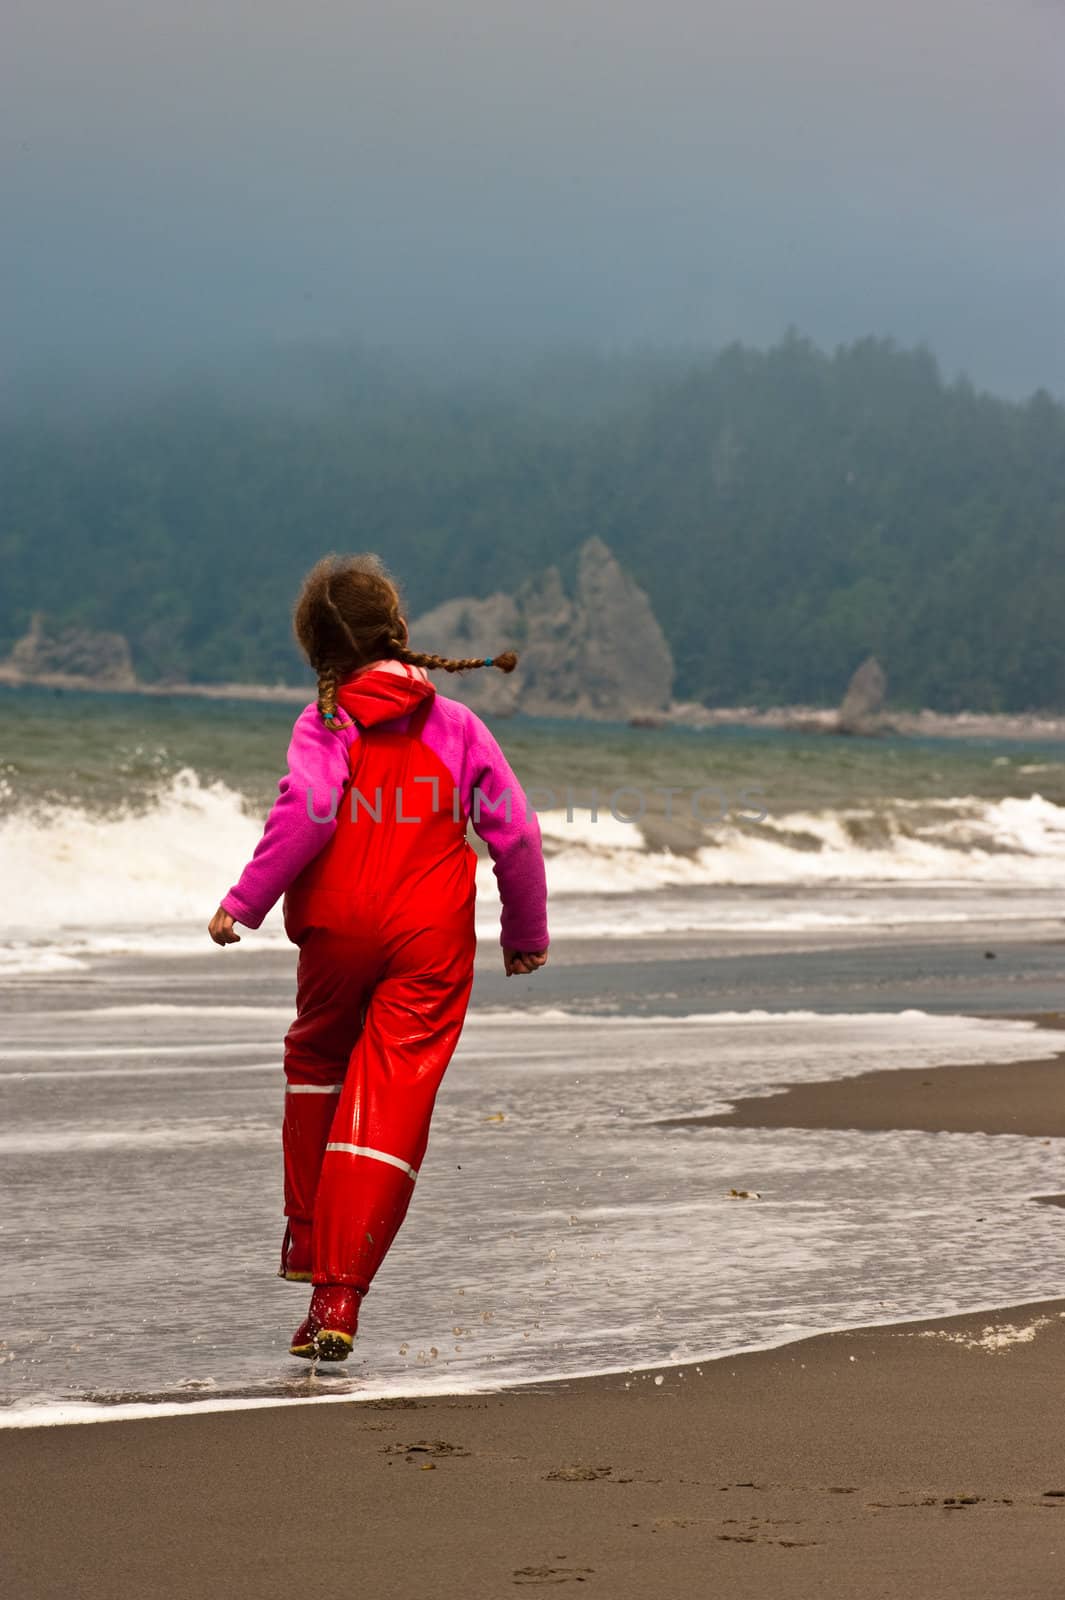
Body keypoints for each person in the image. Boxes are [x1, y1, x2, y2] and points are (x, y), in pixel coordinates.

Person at [207, 553, 549, 1361]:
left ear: (319, 653)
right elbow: (516, 834)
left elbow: (311, 810)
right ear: (398, 631)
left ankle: (303, 1240)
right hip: (427, 941)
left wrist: (243, 901)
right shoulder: (458, 727)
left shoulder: (324, 723)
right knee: (389, 1094)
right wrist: (524, 934)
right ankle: (338, 1293)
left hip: (333, 932)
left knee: (318, 1057)